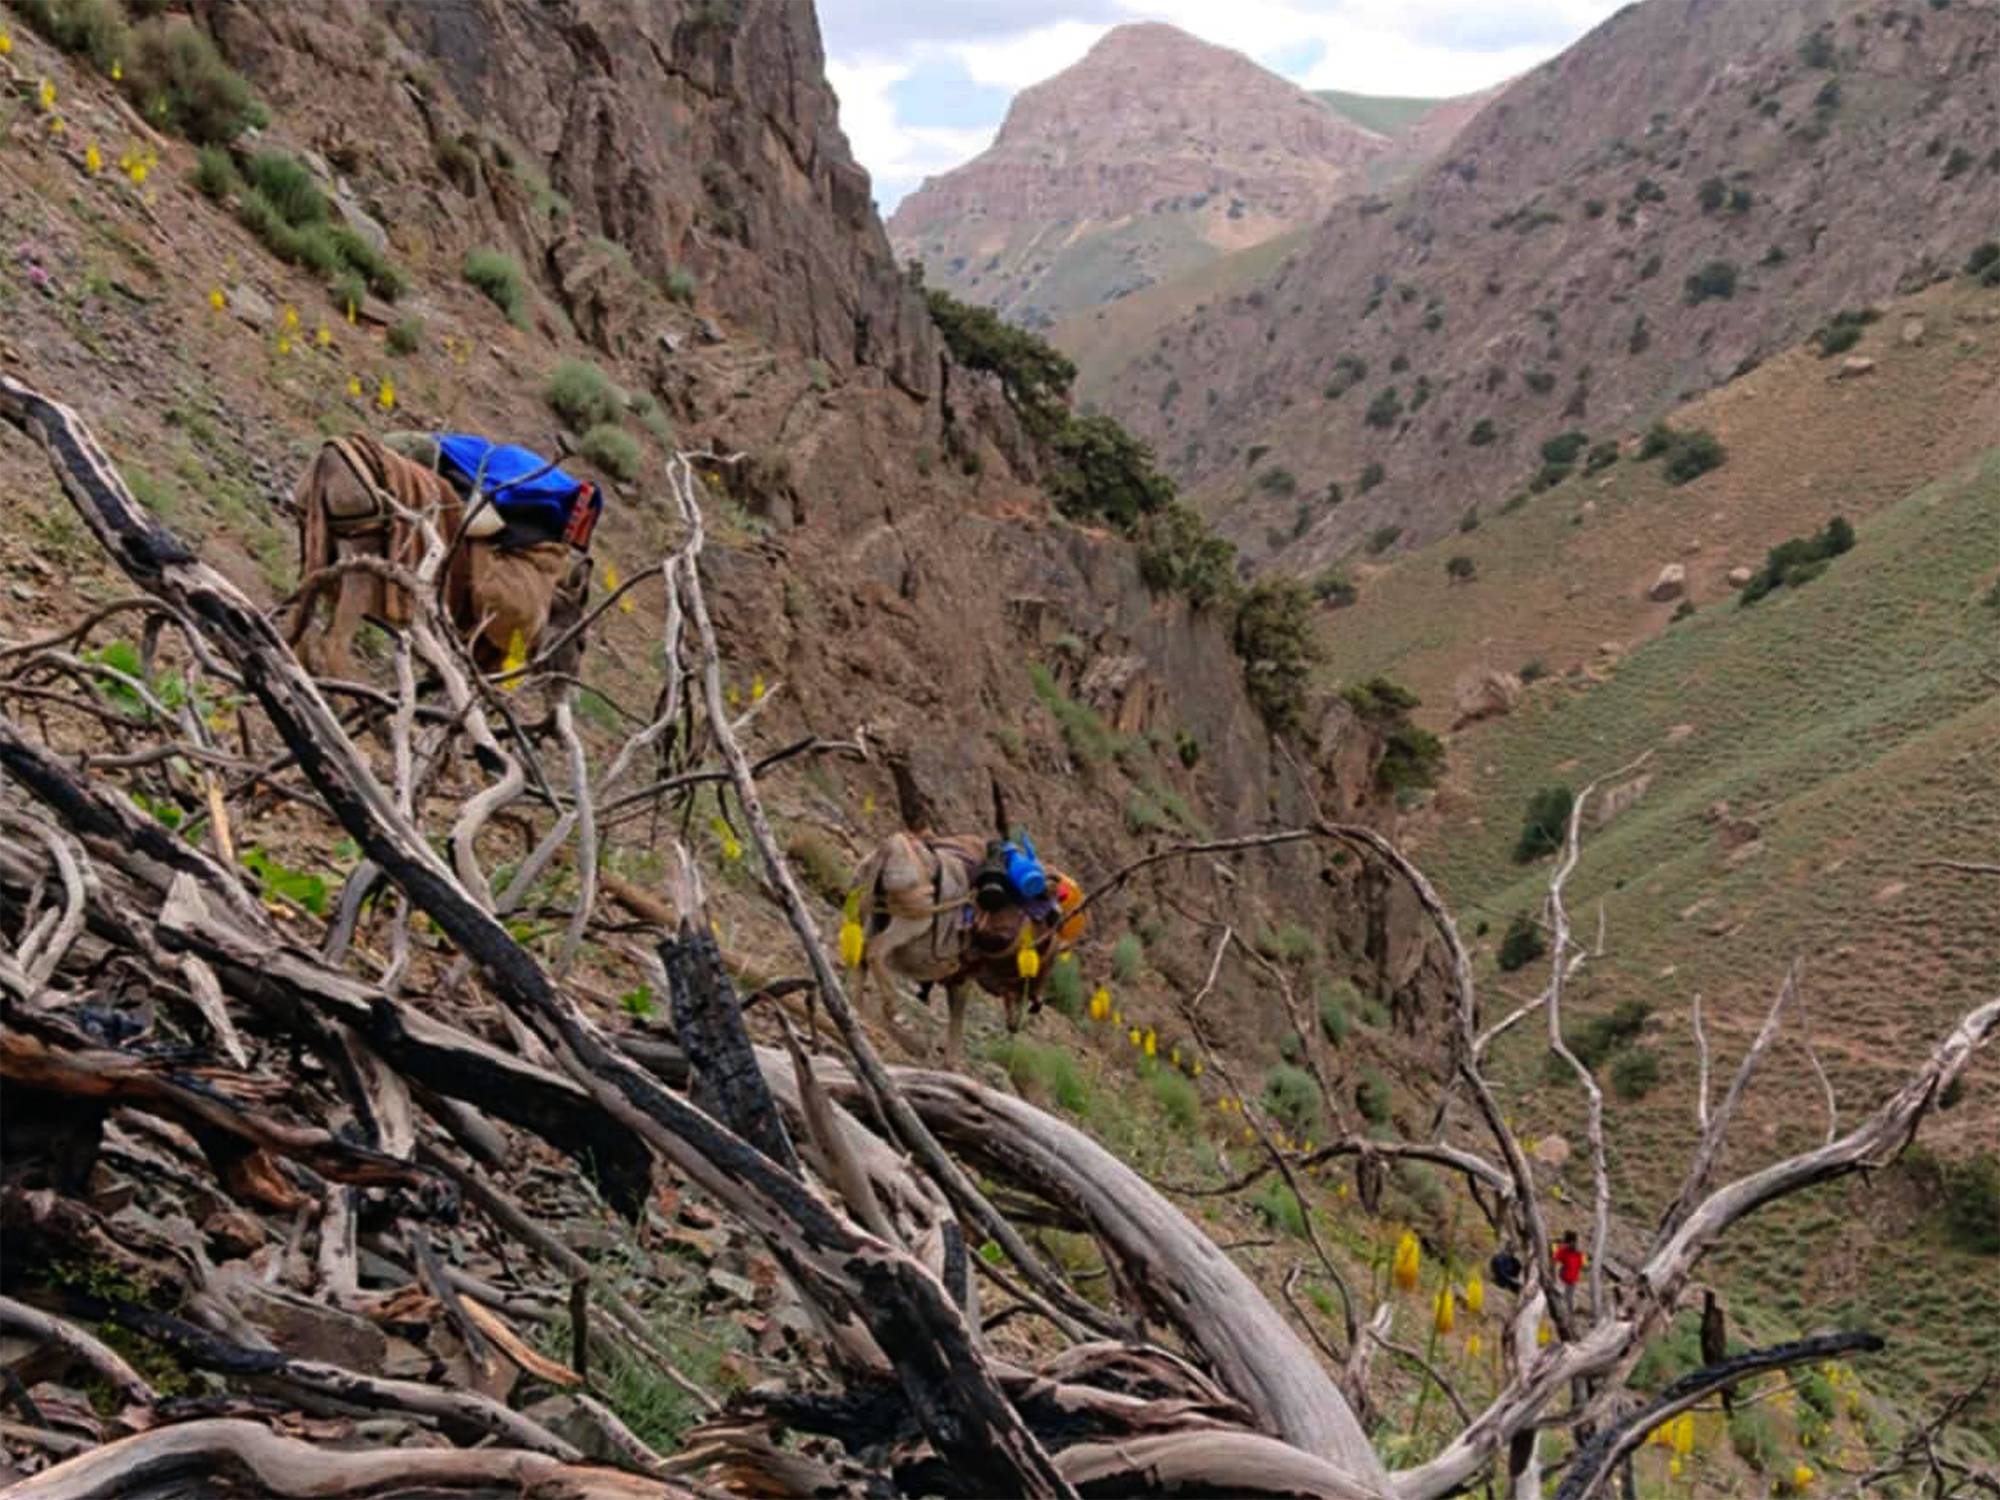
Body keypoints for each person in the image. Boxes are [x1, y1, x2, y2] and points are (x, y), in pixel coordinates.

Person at [1552, 1230, 1585, 1309]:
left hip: (1572, 1280)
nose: (1573, 1244)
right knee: (1563, 1298)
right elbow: (1555, 1262)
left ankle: (1568, 1313)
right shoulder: (1563, 1251)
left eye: (1574, 1242)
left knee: (1569, 1299)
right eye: (1571, 1243)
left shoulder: (1578, 1253)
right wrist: (1556, 1278)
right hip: (1563, 1279)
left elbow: (1581, 1265)